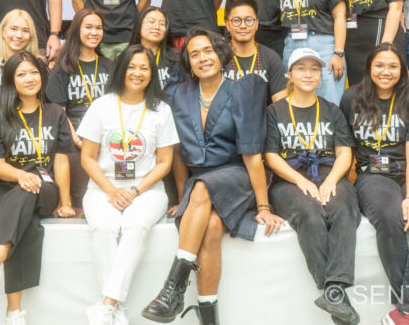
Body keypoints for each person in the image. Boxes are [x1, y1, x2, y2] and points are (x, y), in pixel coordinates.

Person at [141, 28, 283, 325]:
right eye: (194, 54)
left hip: (238, 173)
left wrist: (263, 206)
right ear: (188, 63)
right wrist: (183, 200)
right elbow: (178, 153)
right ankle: (209, 318)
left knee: (203, 189)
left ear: (220, 55)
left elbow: (252, 156)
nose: (202, 58)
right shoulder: (178, 94)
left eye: (207, 51)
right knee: (212, 228)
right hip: (199, 181)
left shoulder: (241, 90)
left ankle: (173, 287)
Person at [0, 51, 76, 324]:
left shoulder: (56, 114)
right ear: (11, 81)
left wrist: (66, 202)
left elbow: (61, 161)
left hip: (45, 187)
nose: (29, 79)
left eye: (34, 73)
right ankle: (14, 313)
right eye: (22, 74)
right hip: (3, 187)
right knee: (27, 224)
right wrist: (20, 176)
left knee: (29, 191)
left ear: (43, 76)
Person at [340, 43, 409, 325]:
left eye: (392, 66)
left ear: (402, 70)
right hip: (372, 173)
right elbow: (345, 149)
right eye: (379, 65)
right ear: (369, 67)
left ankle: (405, 310)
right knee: (389, 217)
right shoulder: (351, 97)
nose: (385, 72)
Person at [78, 45, 179, 325]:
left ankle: (107, 303)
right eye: (132, 67)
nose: (137, 73)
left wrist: (135, 191)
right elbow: (87, 158)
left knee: (135, 226)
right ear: (122, 70)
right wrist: (111, 191)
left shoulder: (162, 110)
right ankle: (116, 309)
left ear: (152, 73)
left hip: (147, 190)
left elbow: (164, 163)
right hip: (102, 187)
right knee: (104, 227)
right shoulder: (102, 105)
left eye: (144, 68)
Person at [264, 48, 360, 325]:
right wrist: (301, 181)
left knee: (342, 207)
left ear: (321, 76)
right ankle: (331, 291)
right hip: (290, 177)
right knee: (309, 212)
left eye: (314, 69)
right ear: (289, 75)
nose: (308, 74)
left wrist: (331, 181)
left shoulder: (330, 109)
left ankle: (336, 290)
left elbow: (344, 153)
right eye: (301, 68)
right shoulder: (275, 111)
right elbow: (270, 156)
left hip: (329, 171)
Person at [47, 8, 115, 208]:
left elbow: (116, 106)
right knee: (81, 187)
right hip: (72, 132)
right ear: (77, 30)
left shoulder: (110, 66)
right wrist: (75, 137)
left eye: (99, 28)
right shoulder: (63, 66)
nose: (94, 32)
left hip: (105, 132)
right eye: (88, 27)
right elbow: (58, 110)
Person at [221, 0, 287, 102]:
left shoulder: (271, 58)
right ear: (227, 25)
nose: (243, 25)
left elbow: (280, 107)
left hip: (262, 118)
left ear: (256, 24)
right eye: (236, 20)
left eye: (249, 20)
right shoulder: (219, 57)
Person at [129, 6, 184, 91]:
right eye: (151, 22)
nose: (157, 27)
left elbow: (184, 91)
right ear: (139, 26)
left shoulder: (177, 58)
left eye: (162, 24)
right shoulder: (126, 57)